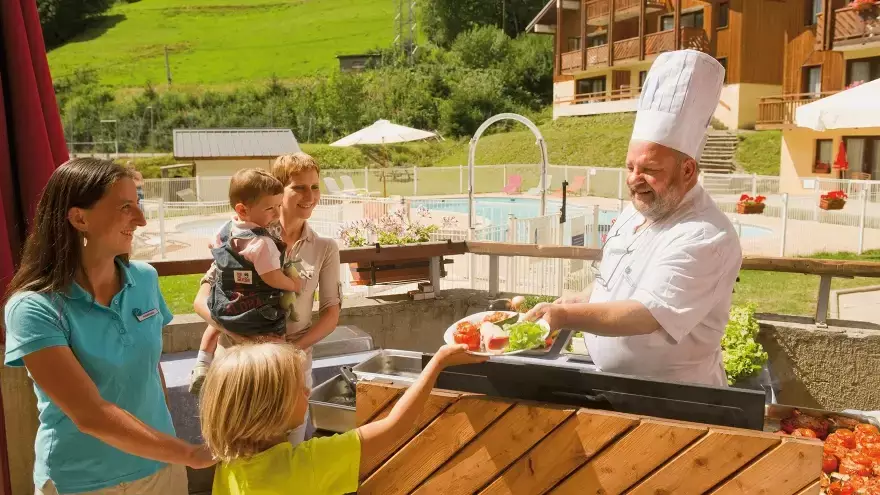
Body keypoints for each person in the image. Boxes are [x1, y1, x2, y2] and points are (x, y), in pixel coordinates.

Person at [526, 50, 742, 387]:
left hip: (675, 397)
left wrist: (565, 316)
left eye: (650, 170)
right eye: (630, 167)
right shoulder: (640, 209)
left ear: (687, 170)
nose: (633, 180)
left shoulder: (704, 236)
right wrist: (579, 300)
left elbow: (648, 313)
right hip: (618, 386)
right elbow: (619, 281)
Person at [2, 158, 214, 495]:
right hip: (82, 481)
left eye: (138, 204)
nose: (141, 219)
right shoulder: (33, 308)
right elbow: (89, 413)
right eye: (126, 207)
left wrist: (167, 447)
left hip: (161, 466)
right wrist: (188, 453)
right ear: (79, 218)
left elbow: (150, 369)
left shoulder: (144, 279)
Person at [199, 342, 486, 495]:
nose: (308, 391)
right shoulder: (307, 464)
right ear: (270, 409)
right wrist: (438, 362)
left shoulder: (230, 463)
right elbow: (394, 425)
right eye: (299, 389)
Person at [192, 152, 341, 443]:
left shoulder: (325, 248)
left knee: (290, 453)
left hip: (291, 372)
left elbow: (331, 315)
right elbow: (201, 301)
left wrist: (287, 352)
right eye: (299, 187)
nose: (310, 196)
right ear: (278, 190)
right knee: (237, 452)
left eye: (315, 186)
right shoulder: (241, 237)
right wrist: (240, 337)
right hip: (237, 368)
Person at [190, 169, 304, 394]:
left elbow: (214, 247)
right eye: (270, 208)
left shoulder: (224, 230)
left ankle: (202, 363)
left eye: (279, 205)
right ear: (242, 209)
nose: (277, 213)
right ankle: (283, 382)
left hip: (226, 305)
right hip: (256, 312)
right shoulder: (262, 243)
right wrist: (293, 284)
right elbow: (271, 276)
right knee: (276, 338)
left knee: (215, 320)